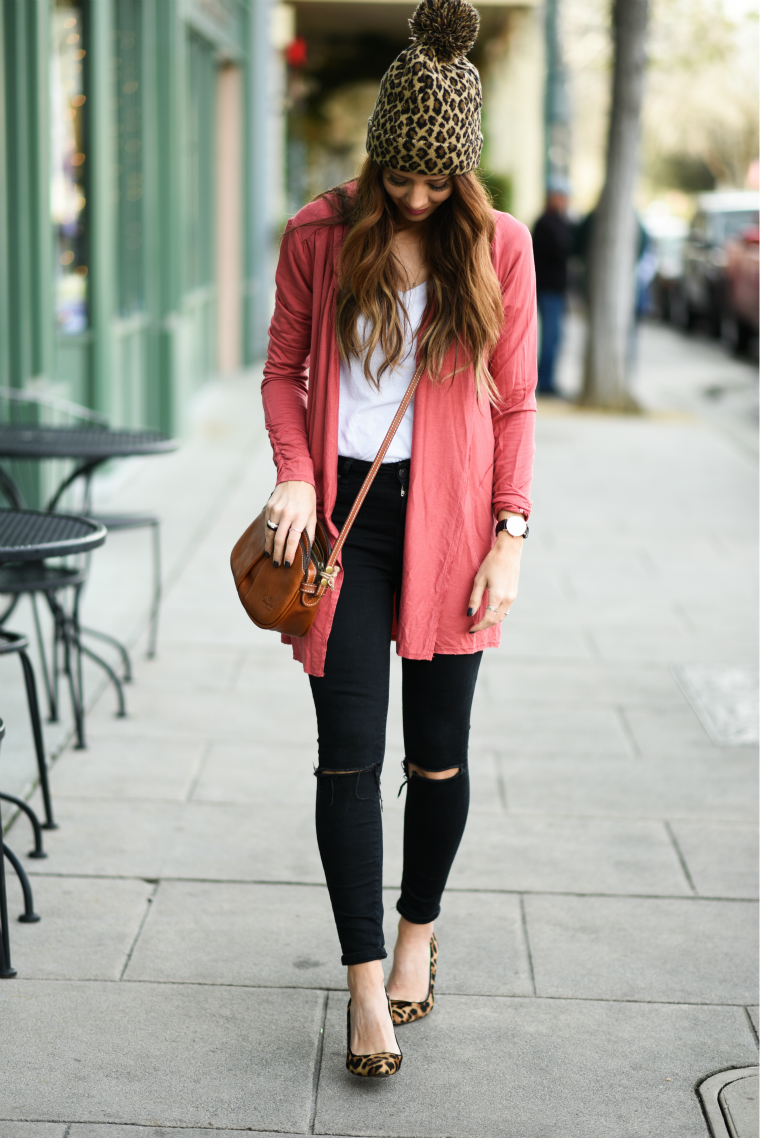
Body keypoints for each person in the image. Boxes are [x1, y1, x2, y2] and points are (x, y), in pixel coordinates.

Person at [260, 0, 536, 1079]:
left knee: (436, 756)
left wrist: (509, 535)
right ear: (375, 160)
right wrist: (292, 474)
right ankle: (364, 987)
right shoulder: (319, 236)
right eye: (399, 177)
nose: (415, 197)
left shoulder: (496, 246)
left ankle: (418, 930)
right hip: (343, 527)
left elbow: (513, 403)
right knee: (347, 758)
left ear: (460, 176)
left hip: (455, 521)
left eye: (435, 181)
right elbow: (284, 371)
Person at [532, 180, 573, 395]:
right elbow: (558, 252)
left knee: (555, 337)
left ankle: (548, 379)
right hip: (547, 289)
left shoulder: (561, 222)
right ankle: (544, 382)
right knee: (550, 337)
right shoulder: (546, 223)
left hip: (556, 289)